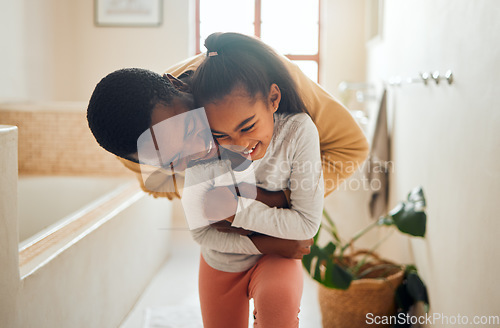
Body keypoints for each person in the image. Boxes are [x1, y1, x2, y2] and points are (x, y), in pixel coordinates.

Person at [180, 32, 324, 327]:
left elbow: (307, 224)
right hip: (222, 261)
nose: (239, 144)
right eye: (222, 135)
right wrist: (269, 243)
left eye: (248, 126)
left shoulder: (298, 131)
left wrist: (235, 211)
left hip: (277, 261)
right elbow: (200, 233)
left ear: (273, 99)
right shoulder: (204, 143)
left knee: (278, 306)